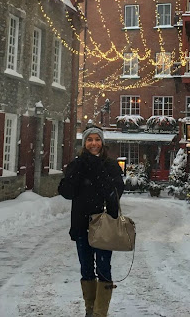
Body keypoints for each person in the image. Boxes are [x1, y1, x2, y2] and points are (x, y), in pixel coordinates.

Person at [58, 125, 125, 317]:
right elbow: (66, 192)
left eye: (97, 139)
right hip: (81, 223)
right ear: (84, 143)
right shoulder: (77, 164)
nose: (93, 143)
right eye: (89, 140)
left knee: (103, 268)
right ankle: (90, 310)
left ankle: (100, 313)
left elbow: (114, 194)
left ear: (102, 142)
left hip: (104, 225)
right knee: (86, 268)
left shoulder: (111, 166)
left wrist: (97, 168)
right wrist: (76, 171)